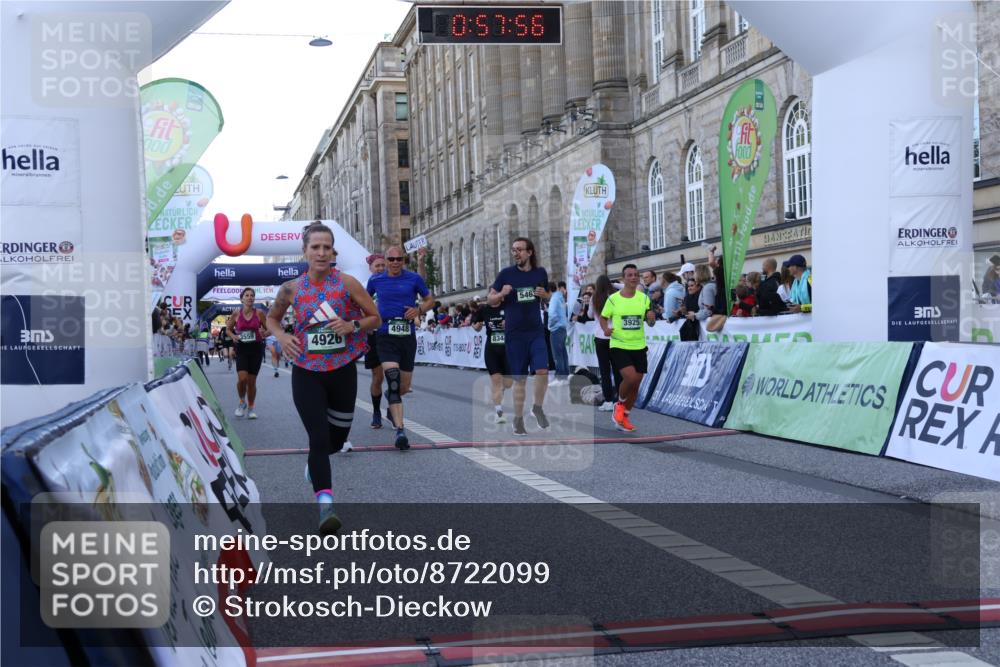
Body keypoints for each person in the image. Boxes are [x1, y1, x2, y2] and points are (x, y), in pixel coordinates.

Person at [267, 221, 381, 535]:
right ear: (304, 252)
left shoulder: (347, 283)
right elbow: (272, 318)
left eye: (326, 247)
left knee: (337, 440)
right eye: (315, 247)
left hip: (342, 369)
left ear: (333, 252)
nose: (321, 252)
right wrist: (281, 337)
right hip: (306, 371)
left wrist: (352, 326)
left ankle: (316, 465)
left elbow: (375, 317)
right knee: (318, 438)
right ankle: (326, 505)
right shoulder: (291, 289)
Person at [366, 245, 434, 451]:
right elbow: (364, 301)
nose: (395, 262)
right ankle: (400, 431)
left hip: (407, 336)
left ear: (403, 261)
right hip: (385, 334)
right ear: (386, 261)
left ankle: (390, 399)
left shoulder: (413, 278)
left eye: (399, 259)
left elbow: (430, 300)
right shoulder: (375, 280)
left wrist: (419, 309)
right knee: (392, 379)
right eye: (392, 259)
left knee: (403, 387)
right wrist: (368, 321)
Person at [488, 237, 551, 436]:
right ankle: (518, 419)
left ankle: (537, 408)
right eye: (513, 250)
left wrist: (545, 295)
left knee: (542, 370)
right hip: (515, 334)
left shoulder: (540, 273)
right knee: (520, 379)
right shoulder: (506, 274)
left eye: (520, 250)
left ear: (530, 252)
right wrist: (501, 294)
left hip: (536, 331)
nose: (516, 253)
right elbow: (490, 299)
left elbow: (548, 296)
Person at [599, 264, 657, 432]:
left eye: (635, 275)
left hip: (639, 345)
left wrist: (651, 318)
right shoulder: (613, 299)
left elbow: (650, 322)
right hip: (619, 344)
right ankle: (619, 404)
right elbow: (603, 318)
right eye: (629, 275)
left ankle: (624, 416)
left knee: (636, 384)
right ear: (624, 278)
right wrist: (605, 329)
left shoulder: (644, 298)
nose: (633, 277)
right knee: (630, 378)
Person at [472, 295, 513, 422]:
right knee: (496, 380)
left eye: (495, 294)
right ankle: (499, 412)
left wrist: (510, 323)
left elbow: (520, 321)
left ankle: (499, 393)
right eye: (491, 294)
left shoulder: (508, 306)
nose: (492, 297)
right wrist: (477, 326)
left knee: (508, 383)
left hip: (508, 349)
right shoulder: (484, 309)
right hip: (492, 350)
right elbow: (474, 324)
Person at [227, 288, 267, 419]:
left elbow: (270, 329)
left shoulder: (260, 313)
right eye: (247, 295)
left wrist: (264, 333)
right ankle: (241, 402)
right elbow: (228, 329)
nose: (250, 297)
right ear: (242, 298)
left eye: (252, 295)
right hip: (242, 348)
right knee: (242, 379)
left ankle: (251, 407)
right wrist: (233, 336)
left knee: (251, 382)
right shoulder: (236, 314)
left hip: (256, 349)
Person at [363, 253, 389, 429]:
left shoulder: (392, 283)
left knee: (399, 379)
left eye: (382, 265)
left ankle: (393, 401)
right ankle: (377, 411)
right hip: (375, 336)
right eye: (376, 266)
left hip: (393, 335)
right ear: (370, 268)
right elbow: (360, 308)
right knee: (378, 377)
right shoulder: (367, 288)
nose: (380, 269)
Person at [590, 275, 620, 411]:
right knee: (617, 369)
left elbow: (590, 315)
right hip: (614, 335)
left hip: (600, 336)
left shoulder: (594, 298)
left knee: (604, 370)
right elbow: (627, 288)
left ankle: (608, 400)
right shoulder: (615, 296)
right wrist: (616, 285)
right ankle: (619, 399)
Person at [547, 281, 570, 386]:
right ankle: (565, 375)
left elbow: (552, 314)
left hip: (556, 329)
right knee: (563, 352)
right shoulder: (560, 297)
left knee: (557, 354)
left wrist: (550, 326)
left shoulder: (554, 299)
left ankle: (560, 377)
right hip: (563, 327)